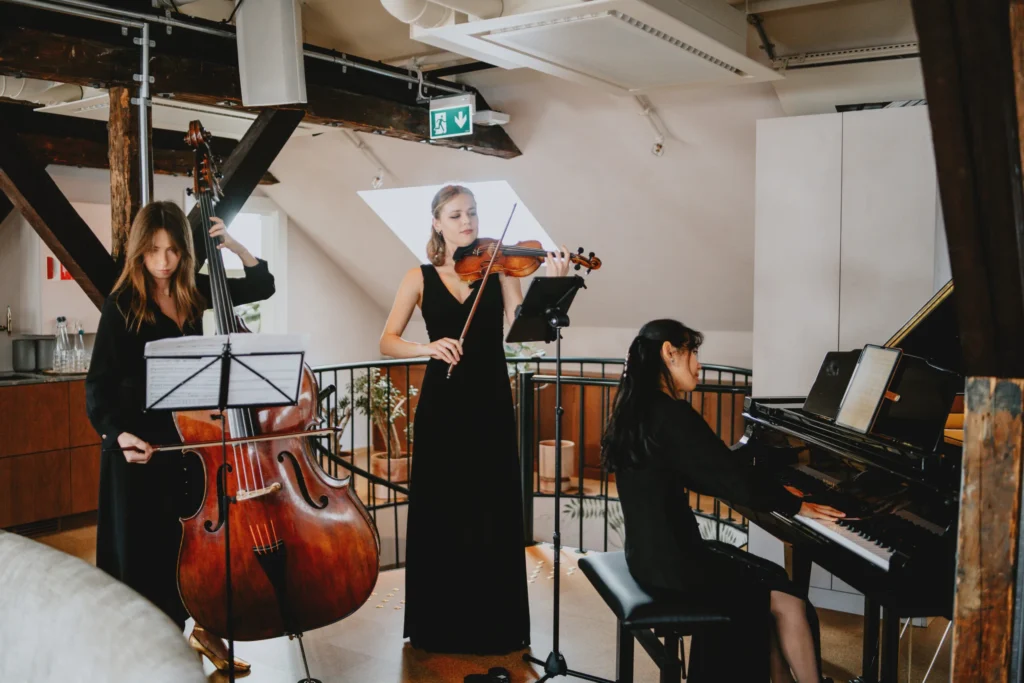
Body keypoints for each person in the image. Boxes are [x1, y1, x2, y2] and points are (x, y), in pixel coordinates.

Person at [85, 201, 276, 674]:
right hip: (137, 449)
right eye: (154, 251)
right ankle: (146, 649)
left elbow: (261, 285)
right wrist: (118, 435)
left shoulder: (193, 292)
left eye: (172, 251)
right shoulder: (122, 304)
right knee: (142, 551)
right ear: (139, 253)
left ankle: (202, 628)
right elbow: (98, 388)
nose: (164, 261)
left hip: (185, 443)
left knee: (185, 548)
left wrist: (231, 243)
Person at [379, 184, 571, 654]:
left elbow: (522, 332)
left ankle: (495, 625)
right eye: (456, 214)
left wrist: (555, 287)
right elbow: (387, 340)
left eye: (472, 213)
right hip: (442, 407)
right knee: (444, 510)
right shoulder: (418, 276)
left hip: (489, 403)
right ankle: (439, 626)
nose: (467, 222)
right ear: (437, 223)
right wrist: (427, 346)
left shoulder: (501, 269)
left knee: (490, 510)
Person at [600, 319, 844, 682]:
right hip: (675, 566)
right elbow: (728, 477)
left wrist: (767, 488)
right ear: (669, 353)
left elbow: (705, 471)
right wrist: (796, 505)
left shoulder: (635, 407)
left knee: (772, 577)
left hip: (648, 555)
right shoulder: (672, 414)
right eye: (693, 353)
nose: (699, 364)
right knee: (790, 603)